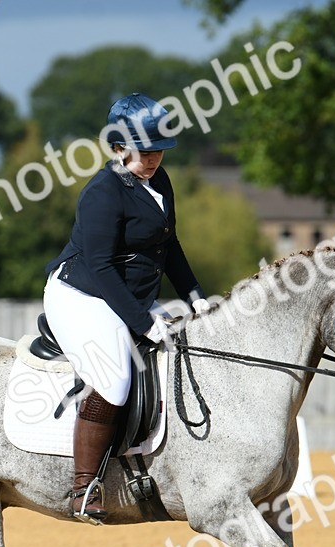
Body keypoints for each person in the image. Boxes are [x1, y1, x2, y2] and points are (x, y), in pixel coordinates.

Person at [43, 92, 211, 524]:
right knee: (115, 377)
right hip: (81, 295)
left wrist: (195, 295)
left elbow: (168, 246)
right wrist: (142, 322)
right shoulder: (102, 193)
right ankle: (84, 487)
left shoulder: (160, 183)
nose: (153, 157)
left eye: (158, 149)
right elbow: (100, 267)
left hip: (129, 294)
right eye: (145, 150)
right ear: (119, 146)